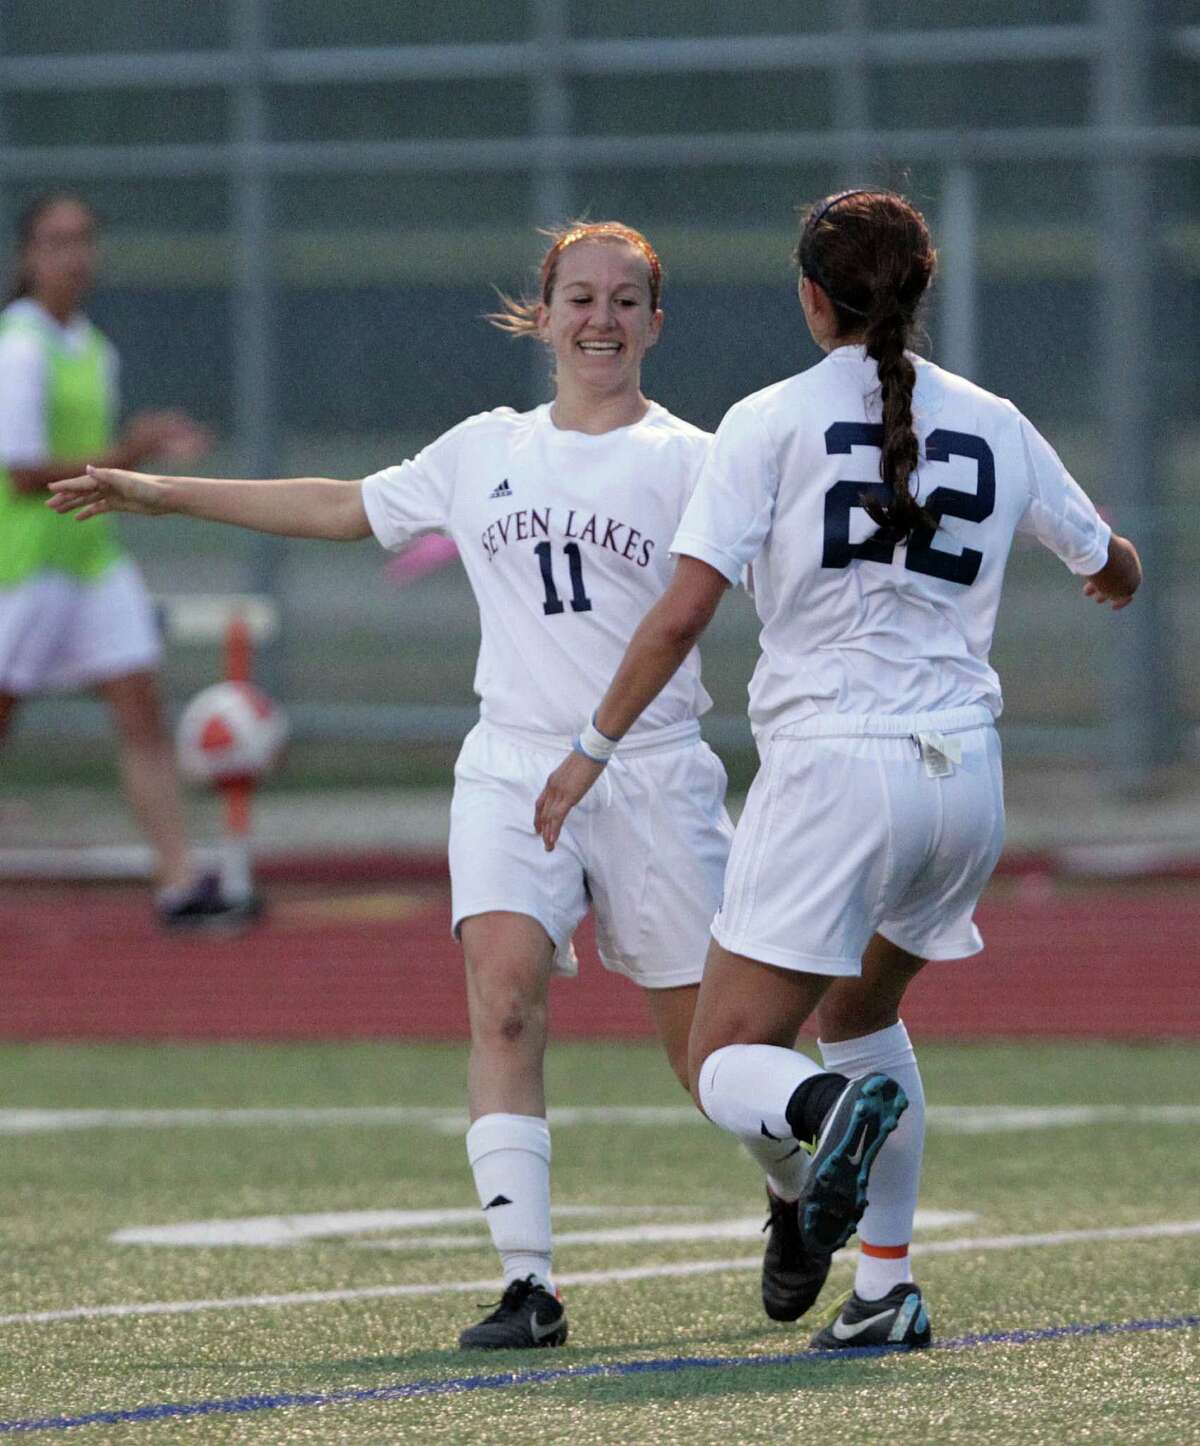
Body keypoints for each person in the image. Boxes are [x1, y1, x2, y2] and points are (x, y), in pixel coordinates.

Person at [47, 220, 750, 1350]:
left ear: (656, 324)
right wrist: (163, 495)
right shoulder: (483, 447)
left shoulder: (696, 459)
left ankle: (788, 1189)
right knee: (505, 993)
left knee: (709, 1051)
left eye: (626, 301)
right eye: (579, 297)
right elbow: (341, 507)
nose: (601, 320)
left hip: (654, 774)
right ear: (544, 313)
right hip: (514, 764)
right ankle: (530, 1285)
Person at [534, 189, 1142, 1350]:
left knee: (726, 1058)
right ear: (921, 292)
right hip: (966, 777)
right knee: (862, 1017)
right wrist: (1111, 573)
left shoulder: (769, 419)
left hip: (834, 772)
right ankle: (884, 1291)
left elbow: (679, 618)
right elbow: (1106, 557)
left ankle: (823, 1113)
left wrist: (591, 747)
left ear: (812, 297)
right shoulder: (997, 418)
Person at [0, 192, 247, 929]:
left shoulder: (94, 348)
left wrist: (133, 454)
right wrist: (130, 455)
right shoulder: (19, 346)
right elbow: (20, 473)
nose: (72, 254)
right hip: (26, 563)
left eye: (83, 239)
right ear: (27, 255)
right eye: (55, 240)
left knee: (142, 708)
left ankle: (178, 882)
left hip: (91, 558)